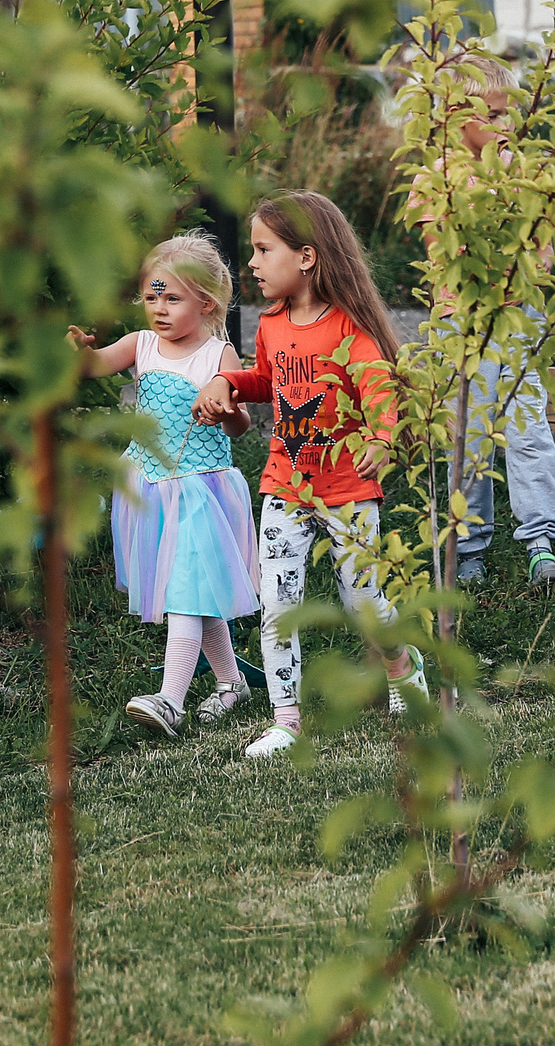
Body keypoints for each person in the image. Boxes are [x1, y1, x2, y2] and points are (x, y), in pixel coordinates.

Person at [192, 190, 415, 759]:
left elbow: (379, 389)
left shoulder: (348, 331)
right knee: (279, 603)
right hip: (285, 487)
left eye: (265, 250)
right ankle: (286, 720)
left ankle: (401, 672)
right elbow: (266, 381)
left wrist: (383, 437)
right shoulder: (270, 324)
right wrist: (229, 384)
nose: (253, 263)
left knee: (361, 600)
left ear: (307, 258)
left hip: (346, 491)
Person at [70, 234, 258, 734]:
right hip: (151, 487)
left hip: (200, 489)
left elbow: (242, 425)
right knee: (196, 590)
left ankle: (169, 701)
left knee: (186, 591)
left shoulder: (219, 355)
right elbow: (92, 368)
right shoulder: (142, 345)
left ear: (206, 302)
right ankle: (232, 684)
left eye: (172, 298)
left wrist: (224, 409)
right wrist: (78, 353)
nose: (158, 308)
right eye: (151, 297)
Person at [409, 59, 555, 588]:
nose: (505, 126)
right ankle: (469, 547)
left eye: (508, 115)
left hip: (519, 313)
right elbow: (441, 252)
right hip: (463, 322)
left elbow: (539, 251)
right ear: (455, 117)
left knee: (526, 422)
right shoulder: (436, 179)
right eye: (493, 116)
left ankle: (541, 540)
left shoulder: (521, 171)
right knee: (470, 432)